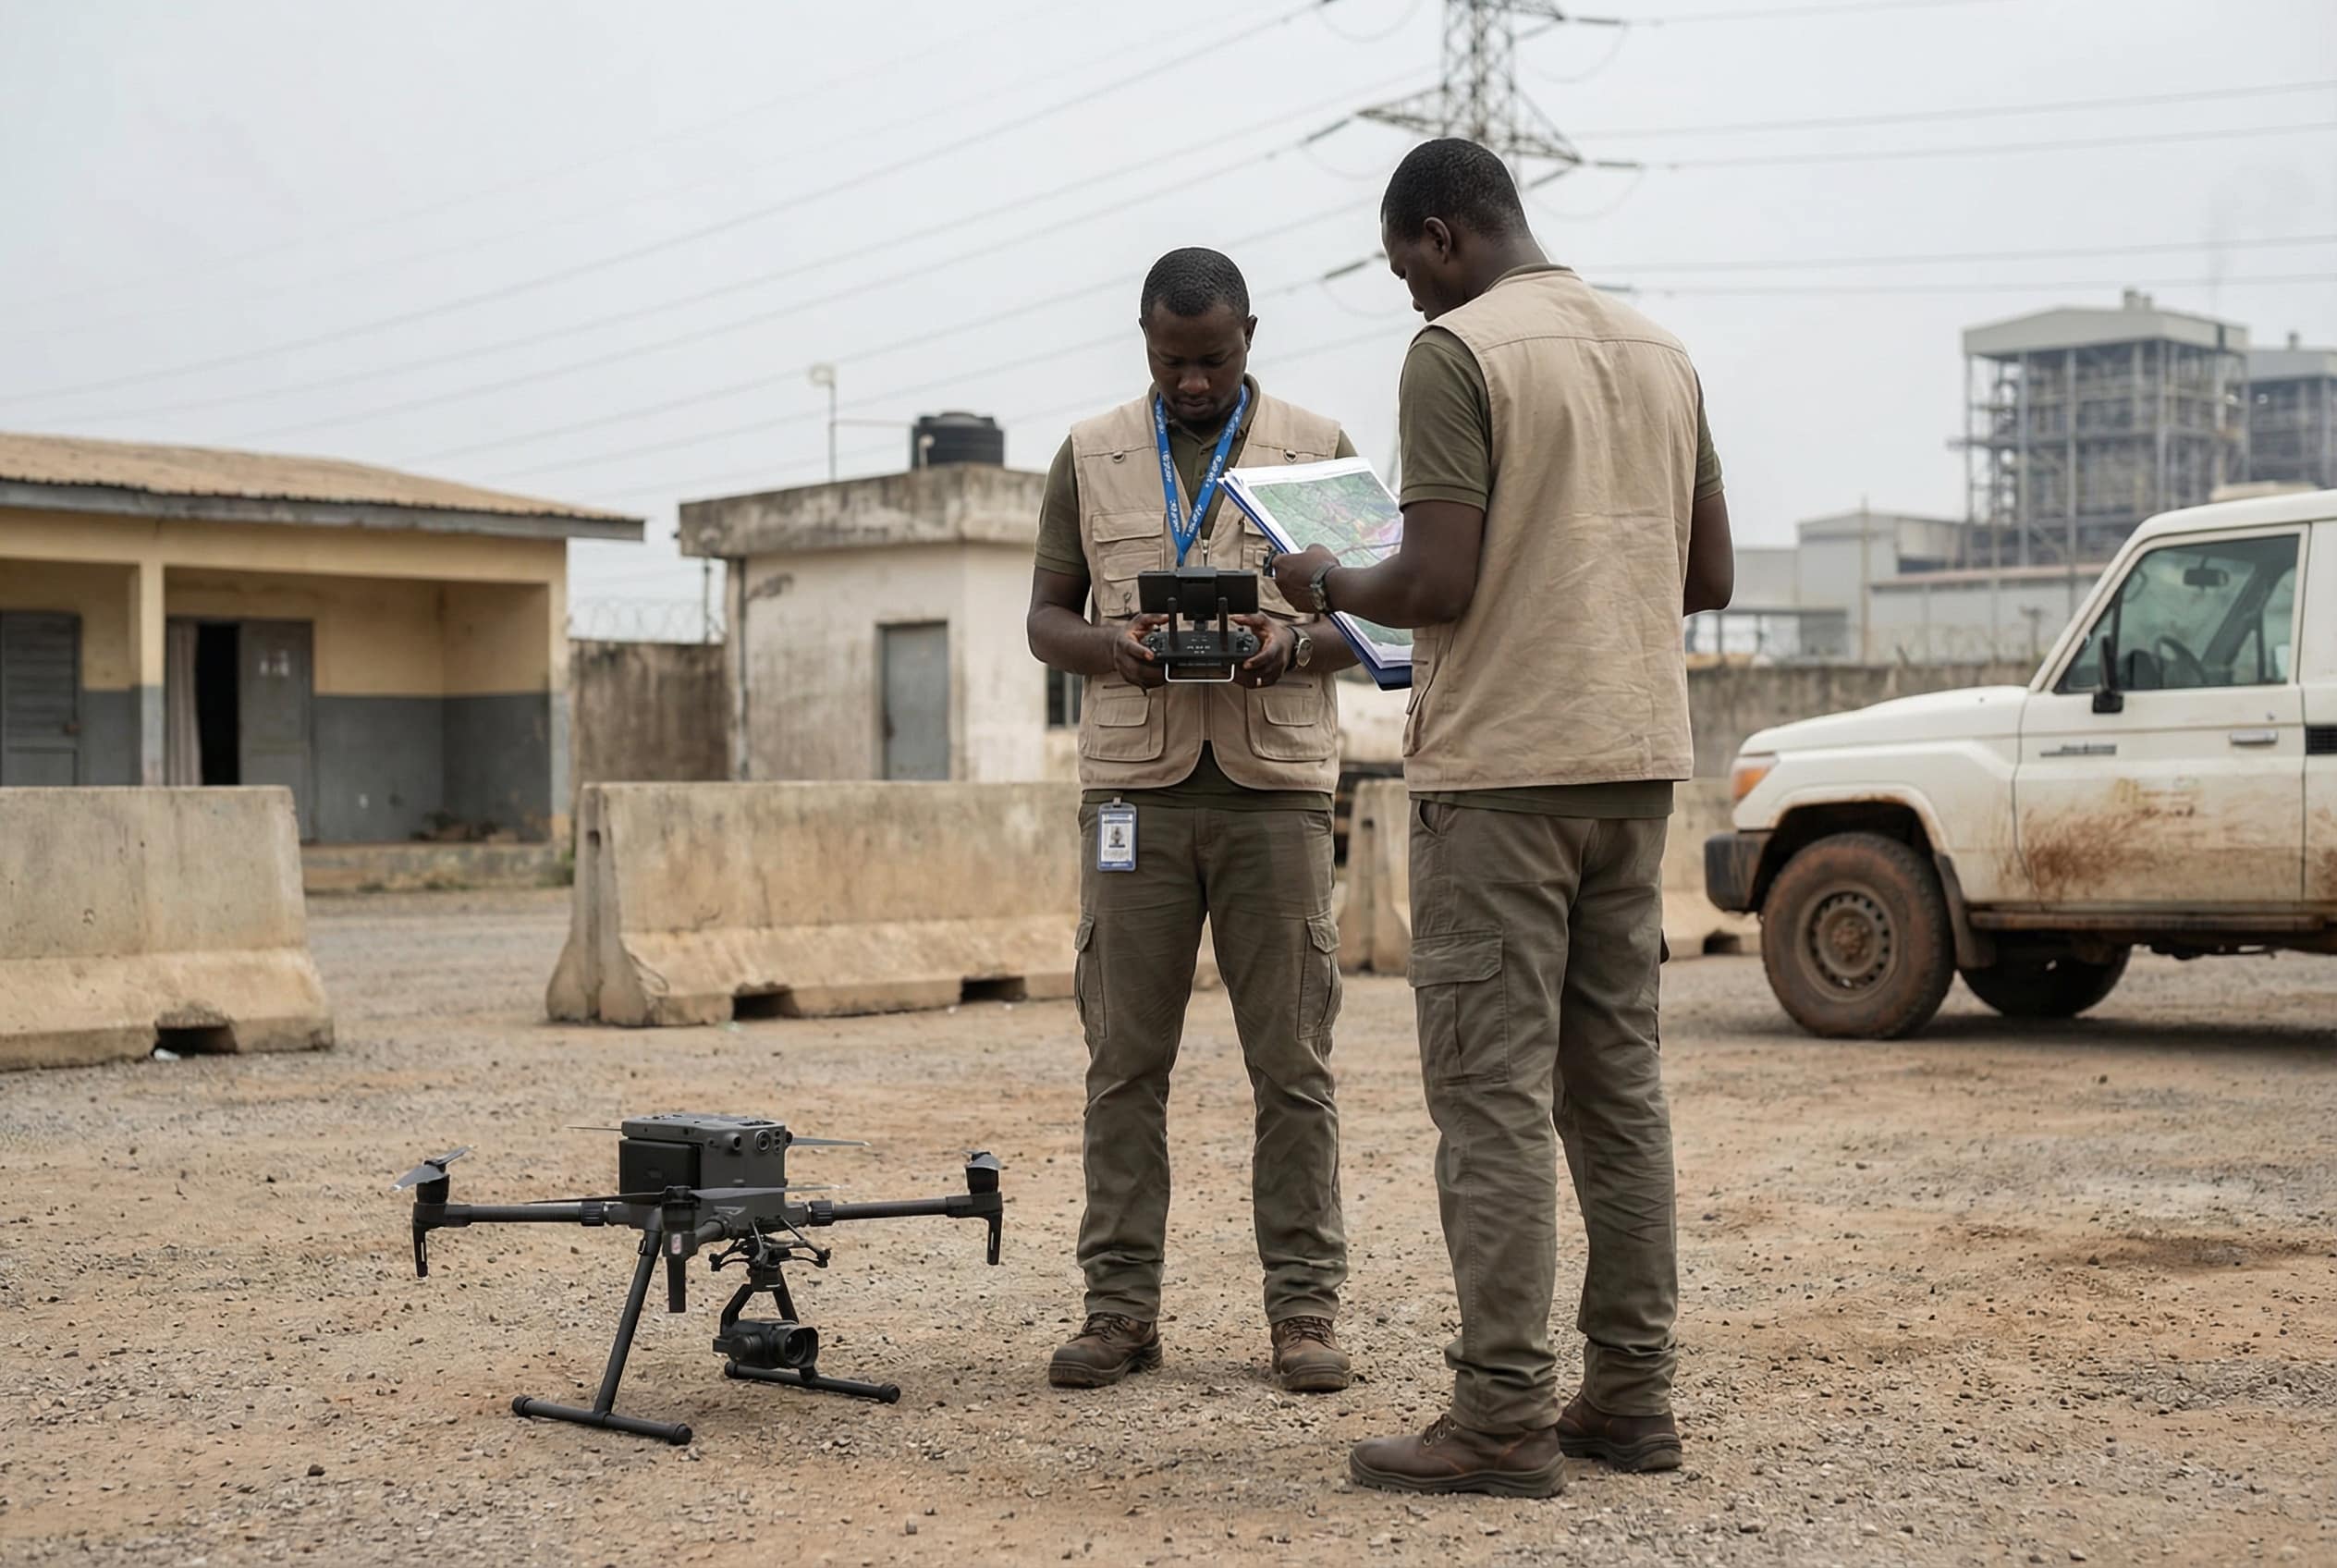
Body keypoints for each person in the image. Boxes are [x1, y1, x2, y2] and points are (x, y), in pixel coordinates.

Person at [1272, 139, 1733, 1497]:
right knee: (1618, 1090)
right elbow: (1707, 571)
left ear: (1443, 231)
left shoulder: (1459, 354)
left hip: (1501, 776)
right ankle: (1632, 1399)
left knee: (1490, 1099)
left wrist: (1322, 579)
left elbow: (1438, 576)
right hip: (1631, 763)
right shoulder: (1662, 352)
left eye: (1406, 261)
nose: (1408, 292)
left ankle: (1502, 1416)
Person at [1027, 246, 1364, 1395]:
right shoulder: (1088, 455)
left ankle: (1304, 1313)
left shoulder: (1317, 447)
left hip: (1273, 793)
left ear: (1250, 337)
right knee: (1124, 1064)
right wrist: (1111, 651)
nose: (1190, 384)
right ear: (1142, 341)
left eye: (1211, 360)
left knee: (1293, 1066)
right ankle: (1119, 1308)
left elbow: (1377, 621)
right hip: (1135, 792)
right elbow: (1043, 619)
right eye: (1171, 362)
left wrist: (1292, 642)